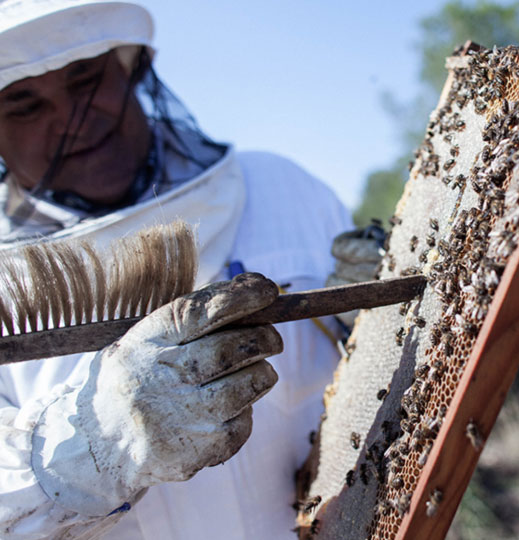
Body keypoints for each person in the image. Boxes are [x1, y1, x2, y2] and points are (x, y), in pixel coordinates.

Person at [0, 0, 356, 538]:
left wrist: (374, 330)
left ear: (129, 70)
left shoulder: (283, 189)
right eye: (25, 105)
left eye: (85, 79)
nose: (71, 119)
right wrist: (91, 449)